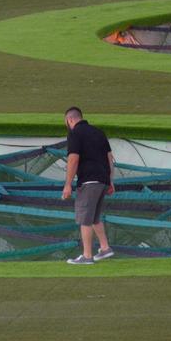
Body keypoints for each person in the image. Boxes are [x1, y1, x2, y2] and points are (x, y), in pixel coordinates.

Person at [61, 107, 115, 265]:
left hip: (89, 182)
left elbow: (73, 159)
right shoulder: (99, 132)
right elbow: (110, 158)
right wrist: (110, 181)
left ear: (70, 120)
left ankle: (87, 256)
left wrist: (68, 184)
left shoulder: (74, 133)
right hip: (103, 180)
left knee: (85, 218)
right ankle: (105, 248)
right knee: (94, 217)